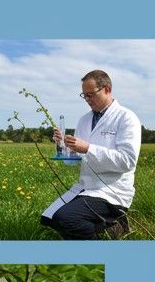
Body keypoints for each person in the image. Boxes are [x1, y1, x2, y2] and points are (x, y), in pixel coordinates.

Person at [41, 69, 142, 239]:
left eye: (91, 94)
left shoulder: (126, 118)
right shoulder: (84, 120)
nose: (87, 99)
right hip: (88, 188)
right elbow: (73, 161)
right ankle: (112, 226)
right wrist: (64, 146)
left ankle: (108, 230)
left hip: (113, 192)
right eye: (84, 95)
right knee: (48, 219)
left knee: (66, 219)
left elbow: (127, 161)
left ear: (107, 89)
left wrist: (88, 148)